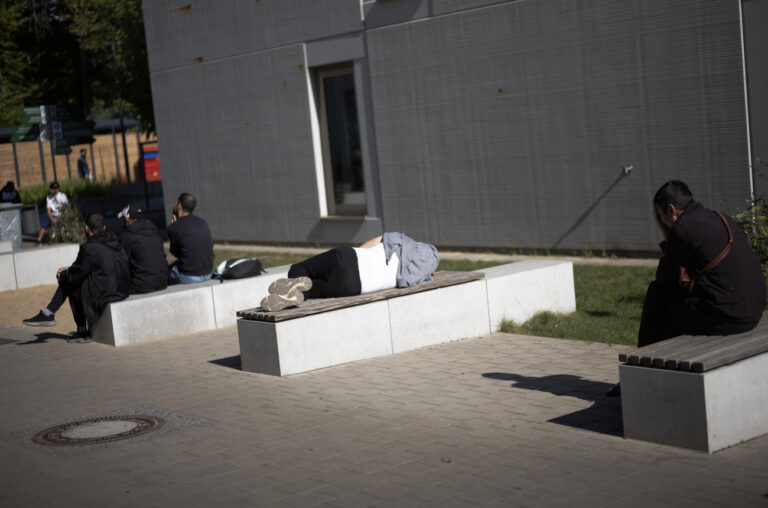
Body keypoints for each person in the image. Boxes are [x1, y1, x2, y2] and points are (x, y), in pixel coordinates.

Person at [607, 180, 766, 397]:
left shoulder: (683, 230)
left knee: (657, 296)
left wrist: (666, 233)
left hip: (730, 316)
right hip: (754, 310)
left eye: (658, 215)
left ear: (670, 210)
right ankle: (658, 374)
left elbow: (664, 279)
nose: (658, 220)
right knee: (671, 302)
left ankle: (640, 373)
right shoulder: (720, 218)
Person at [261, 232, 439, 311]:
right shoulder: (415, 278)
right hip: (353, 285)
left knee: (299, 269)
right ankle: (296, 296)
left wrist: (358, 255)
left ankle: (294, 286)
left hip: (349, 258)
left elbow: (373, 242)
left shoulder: (401, 240)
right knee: (313, 290)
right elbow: (426, 278)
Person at [22, 212, 131, 343]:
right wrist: (69, 270)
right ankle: (48, 313)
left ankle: (79, 330)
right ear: (104, 227)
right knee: (72, 276)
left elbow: (75, 275)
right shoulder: (114, 240)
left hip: (108, 294)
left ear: (86, 228)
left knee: (71, 281)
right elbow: (89, 266)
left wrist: (63, 274)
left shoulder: (89, 247)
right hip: (123, 289)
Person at [118, 203, 168, 294]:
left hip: (142, 286)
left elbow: (121, 265)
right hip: (163, 282)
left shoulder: (126, 237)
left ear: (126, 219)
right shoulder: (153, 230)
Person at [166, 192, 214, 284]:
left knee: (163, 274)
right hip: (208, 274)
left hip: (189, 276)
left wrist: (173, 225)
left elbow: (175, 253)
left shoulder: (174, 227)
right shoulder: (203, 223)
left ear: (179, 205)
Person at [35, 181, 68, 246]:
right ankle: (39, 240)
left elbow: (64, 209)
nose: (51, 190)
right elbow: (48, 210)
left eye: (53, 189)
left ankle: (52, 239)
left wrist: (57, 219)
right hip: (53, 214)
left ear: (57, 189)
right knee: (44, 224)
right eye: (51, 188)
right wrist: (51, 218)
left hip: (61, 214)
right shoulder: (48, 197)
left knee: (55, 224)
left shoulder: (62, 196)